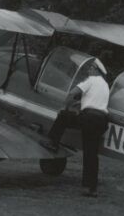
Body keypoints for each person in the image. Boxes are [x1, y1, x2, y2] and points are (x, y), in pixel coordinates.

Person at [41, 59, 110, 197]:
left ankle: (53, 143)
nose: (89, 70)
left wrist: (64, 106)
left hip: (89, 118)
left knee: (64, 116)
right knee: (91, 155)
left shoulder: (91, 80)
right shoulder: (105, 85)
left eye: (91, 67)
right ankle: (90, 188)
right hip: (102, 121)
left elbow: (73, 93)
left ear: (96, 70)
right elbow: (93, 101)